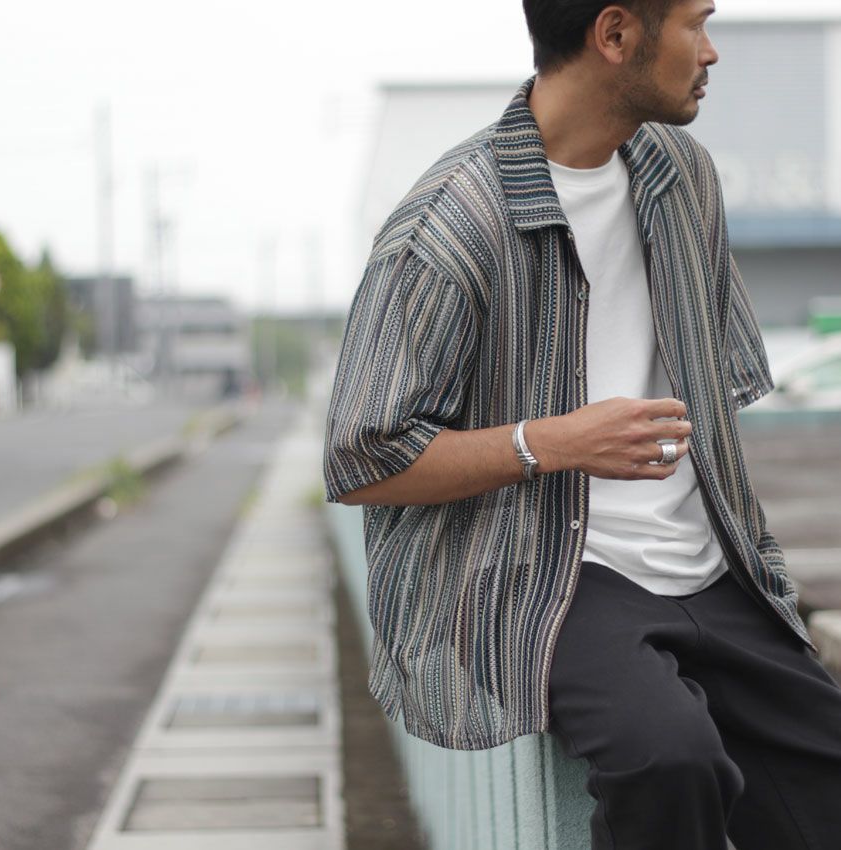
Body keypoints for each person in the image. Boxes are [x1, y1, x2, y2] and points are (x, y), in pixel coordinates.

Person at [323, 1, 841, 846]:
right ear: (616, 35)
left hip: (709, 564)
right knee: (669, 761)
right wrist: (550, 442)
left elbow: (721, 388)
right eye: (696, 25)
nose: (712, 52)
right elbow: (362, 460)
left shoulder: (682, 174)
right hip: (549, 575)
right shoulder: (451, 222)